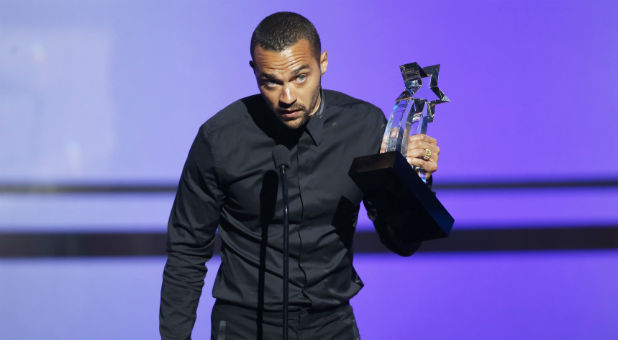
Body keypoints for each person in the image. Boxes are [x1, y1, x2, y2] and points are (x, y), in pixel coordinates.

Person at [160, 11, 440, 340]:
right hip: (244, 326)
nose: (287, 97)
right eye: (271, 82)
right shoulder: (220, 138)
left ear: (323, 62)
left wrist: (414, 182)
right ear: (254, 72)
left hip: (331, 324)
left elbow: (402, 242)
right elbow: (187, 251)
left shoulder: (364, 126)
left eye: (300, 77)